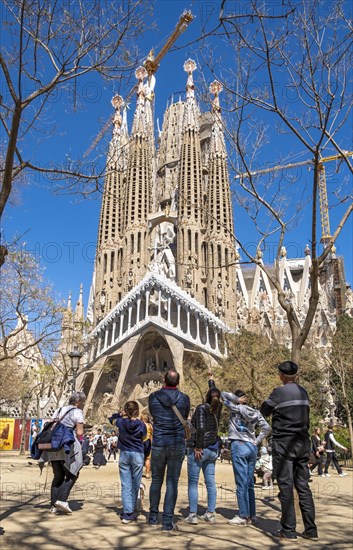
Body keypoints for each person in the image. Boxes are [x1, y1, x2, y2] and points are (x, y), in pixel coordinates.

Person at [260, 361, 318, 541]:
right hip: (302, 443)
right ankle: (311, 530)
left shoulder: (278, 392)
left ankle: (288, 530)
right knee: (303, 487)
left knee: (285, 486)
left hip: (284, 444)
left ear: (282, 376)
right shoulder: (303, 392)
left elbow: (264, 410)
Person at [148, 368, 190, 532]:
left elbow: (153, 415)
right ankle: (167, 521)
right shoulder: (184, 398)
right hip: (177, 443)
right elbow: (185, 416)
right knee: (172, 482)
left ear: (163, 381)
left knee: (156, 481)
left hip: (159, 442)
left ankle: (152, 517)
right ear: (178, 383)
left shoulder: (153, 397)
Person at [221, 388, 270, 526]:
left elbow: (222, 395)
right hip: (251, 447)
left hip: (238, 444)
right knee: (249, 483)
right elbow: (266, 428)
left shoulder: (234, 408)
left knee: (241, 482)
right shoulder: (255, 412)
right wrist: (256, 440)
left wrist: (235, 400)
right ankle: (252, 515)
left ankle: (243, 515)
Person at [185, 372, 222, 525]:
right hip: (213, 449)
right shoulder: (218, 406)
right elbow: (214, 394)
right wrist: (211, 380)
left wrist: (198, 446)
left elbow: (200, 428)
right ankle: (210, 513)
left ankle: (193, 514)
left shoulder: (201, 408)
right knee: (210, 481)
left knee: (193, 482)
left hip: (200, 449)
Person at [43, 391, 86, 514]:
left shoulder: (59, 409)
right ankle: (61, 499)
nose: (82, 404)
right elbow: (79, 432)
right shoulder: (77, 412)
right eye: (81, 402)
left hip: (53, 445)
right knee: (73, 473)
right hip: (67, 445)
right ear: (78, 402)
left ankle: (53, 506)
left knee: (58, 476)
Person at [109, 401, 147, 524]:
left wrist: (120, 414)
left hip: (125, 454)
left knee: (126, 484)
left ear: (126, 410)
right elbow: (144, 438)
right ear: (137, 411)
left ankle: (127, 513)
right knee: (135, 482)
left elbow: (111, 419)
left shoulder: (121, 422)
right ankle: (133, 508)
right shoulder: (142, 425)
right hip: (137, 454)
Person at [141, 412, 153, 479]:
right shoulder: (150, 425)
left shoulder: (140, 425)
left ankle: (139, 473)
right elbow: (152, 435)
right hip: (148, 443)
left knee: (140, 458)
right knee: (147, 459)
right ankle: (148, 473)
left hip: (141, 443)